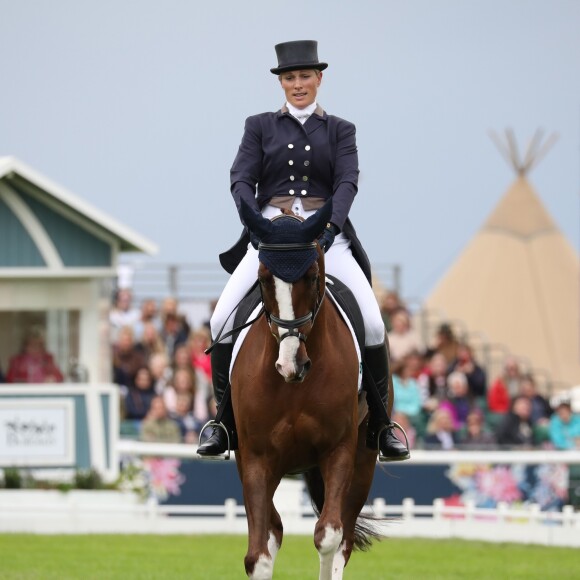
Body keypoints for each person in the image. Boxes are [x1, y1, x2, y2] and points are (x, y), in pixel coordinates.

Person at [197, 40, 409, 462]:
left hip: (326, 239)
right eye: (290, 78)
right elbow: (241, 178)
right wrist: (254, 224)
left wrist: (330, 228)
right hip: (270, 238)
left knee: (372, 323)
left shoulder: (340, 130)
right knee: (221, 319)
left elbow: (347, 181)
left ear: (319, 79)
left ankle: (383, 426)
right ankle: (223, 422)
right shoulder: (259, 126)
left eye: (305, 77)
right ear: (282, 82)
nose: (298, 84)